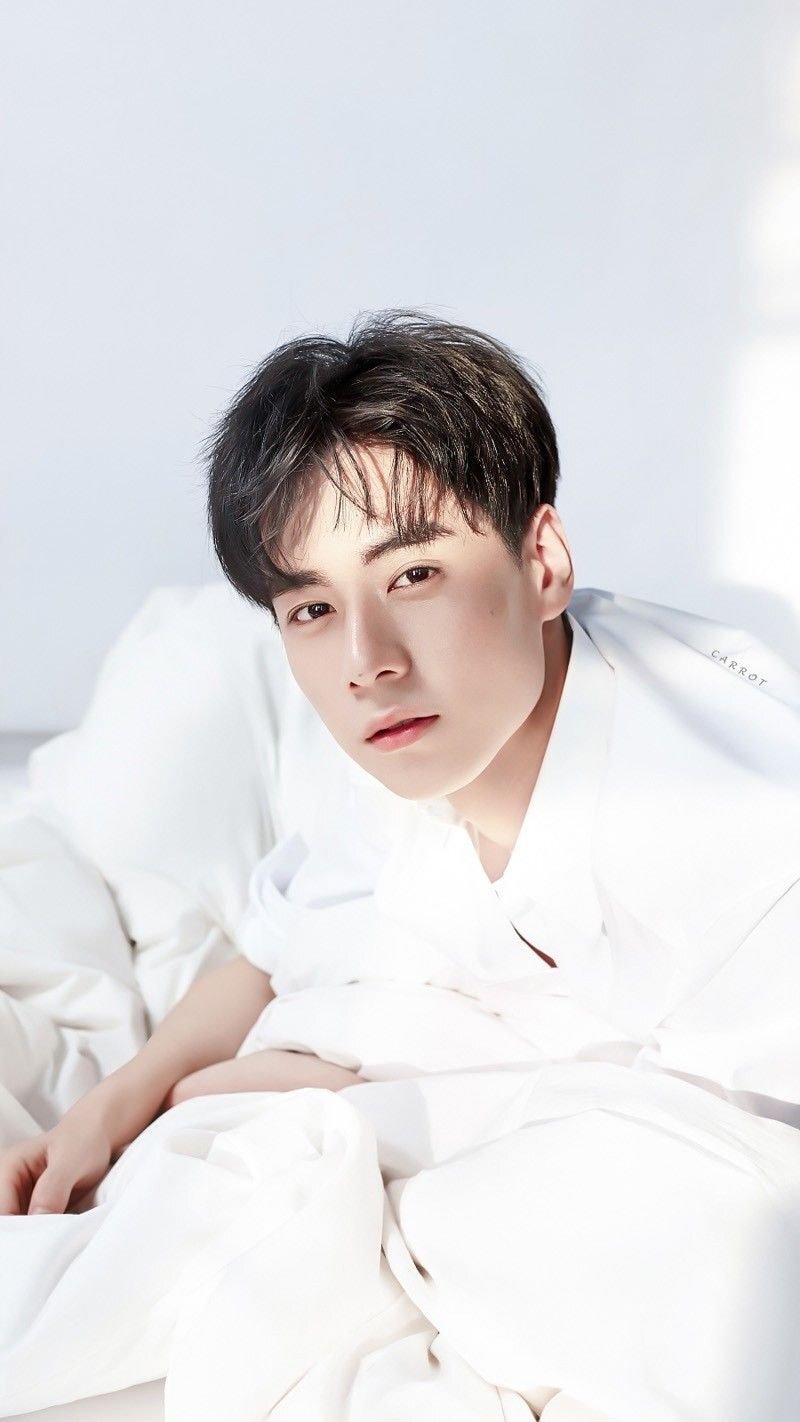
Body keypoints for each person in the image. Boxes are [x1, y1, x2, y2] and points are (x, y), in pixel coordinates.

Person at [1, 308, 798, 1220]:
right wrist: (102, 1116)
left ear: (542, 562)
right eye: (312, 610)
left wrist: (347, 1102)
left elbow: (727, 1187)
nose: (365, 662)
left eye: (413, 577)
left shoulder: (733, 835)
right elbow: (272, 952)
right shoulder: (421, 739)